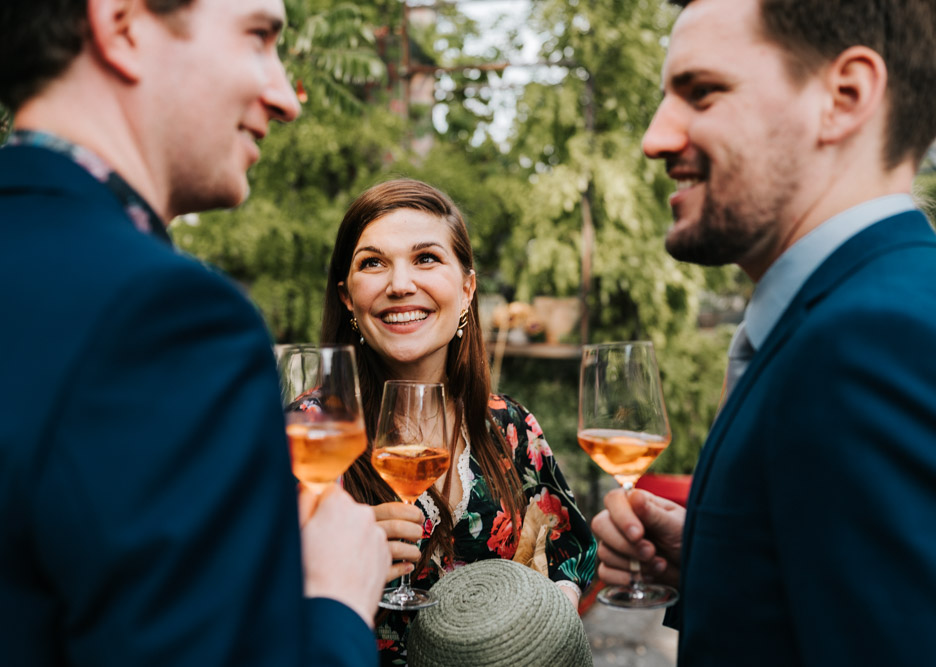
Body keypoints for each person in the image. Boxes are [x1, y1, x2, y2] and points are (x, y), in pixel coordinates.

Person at [0, 0, 390, 665]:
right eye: (259, 37)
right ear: (122, 27)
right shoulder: (168, 320)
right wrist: (335, 603)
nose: (286, 97)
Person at [591, 0, 936, 664]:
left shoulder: (870, 341)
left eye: (703, 93)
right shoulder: (853, 311)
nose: (656, 138)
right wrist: (723, 556)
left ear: (844, 96)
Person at [312, 178, 597, 665]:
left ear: (466, 289)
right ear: (347, 298)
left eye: (426, 258)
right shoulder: (307, 433)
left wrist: (543, 627)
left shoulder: (509, 424)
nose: (400, 284)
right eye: (373, 262)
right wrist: (324, 566)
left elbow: (573, 547)